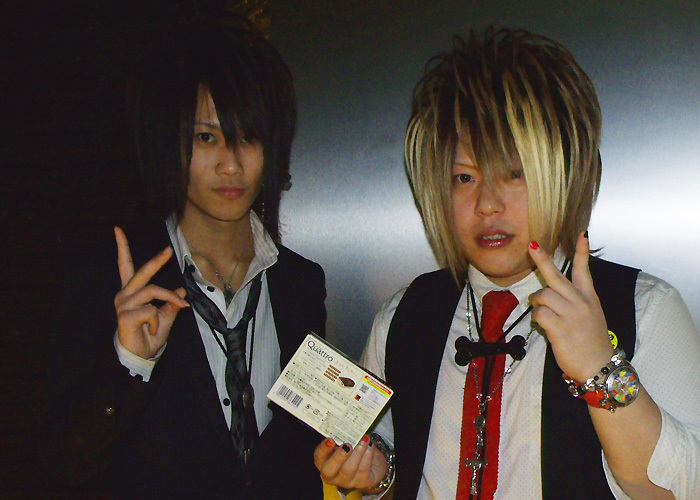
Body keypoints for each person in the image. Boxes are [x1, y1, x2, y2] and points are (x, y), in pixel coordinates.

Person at [314, 28, 700, 499]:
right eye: (464, 178)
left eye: (514, 174)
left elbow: (682, 490)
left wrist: (600, 368)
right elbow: (390, 458)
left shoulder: (645, 309)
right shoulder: (404, 315)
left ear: (565, 174)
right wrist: (377, 473)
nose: (487, 204)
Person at [40, 14, 326, 499]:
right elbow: (66, 463)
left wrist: (368, 464)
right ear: (168, 142)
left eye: (249, 138)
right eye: (206, 137)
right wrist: (128, 360)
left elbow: (307, 444)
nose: (231, 164)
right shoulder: (111, 280)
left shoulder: (300, 282)